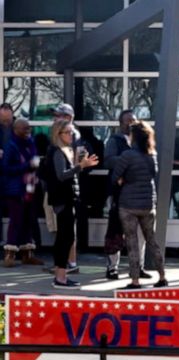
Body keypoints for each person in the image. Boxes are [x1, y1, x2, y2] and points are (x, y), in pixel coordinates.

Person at [112, 121, 167, 289]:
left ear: (133, 136)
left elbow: (115, 177)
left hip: (128, 204)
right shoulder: (152, 154)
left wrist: (124, 180)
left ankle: (135, 280)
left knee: (132, 242)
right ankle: (162, 277)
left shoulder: (127, 155)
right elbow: (153, 174)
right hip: (148, 202)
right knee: (152, 240)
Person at [46, 119, 98, 289]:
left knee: (67, 238)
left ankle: (61, 276)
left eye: (72, 132)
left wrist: (82, 165)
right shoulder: (57, 152)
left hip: (68, 199)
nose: (71, 135)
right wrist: (80, 166)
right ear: (58, 134)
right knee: (65, 238)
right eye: (67, 132)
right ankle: (60, 278)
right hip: (63, 200)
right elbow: (62, 175)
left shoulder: (65, 151)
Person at [104, 110, 150, 280]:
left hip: (139, 194)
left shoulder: (142, 143)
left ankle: (138, 267)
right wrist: (129, 160)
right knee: (115, 230)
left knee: (140, 234)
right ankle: (112, 267)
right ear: (120, 123)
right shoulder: (114, 141)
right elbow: (108, 160)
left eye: (134, 121)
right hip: (119, 193)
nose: (131, 124)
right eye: (128, 121)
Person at [2, 119, 44, 267]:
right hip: (15, 189)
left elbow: (33, 163)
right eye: (25, 129)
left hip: (30, 187)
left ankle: (27, 254)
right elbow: (6, 169)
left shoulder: (30, 143)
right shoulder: (11, 146)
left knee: (28, 220)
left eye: (29, 128)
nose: (28, 131)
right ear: (16, 129)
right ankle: (9, 255)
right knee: (16, 221)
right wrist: (28, 165)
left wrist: (35, 169)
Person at [0, 103, 14, 245]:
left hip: (14, 176)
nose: (5, 121)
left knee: (15, 212)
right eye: (3, 119)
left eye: (7, 118)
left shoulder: (19, 128)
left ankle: (13, 243)